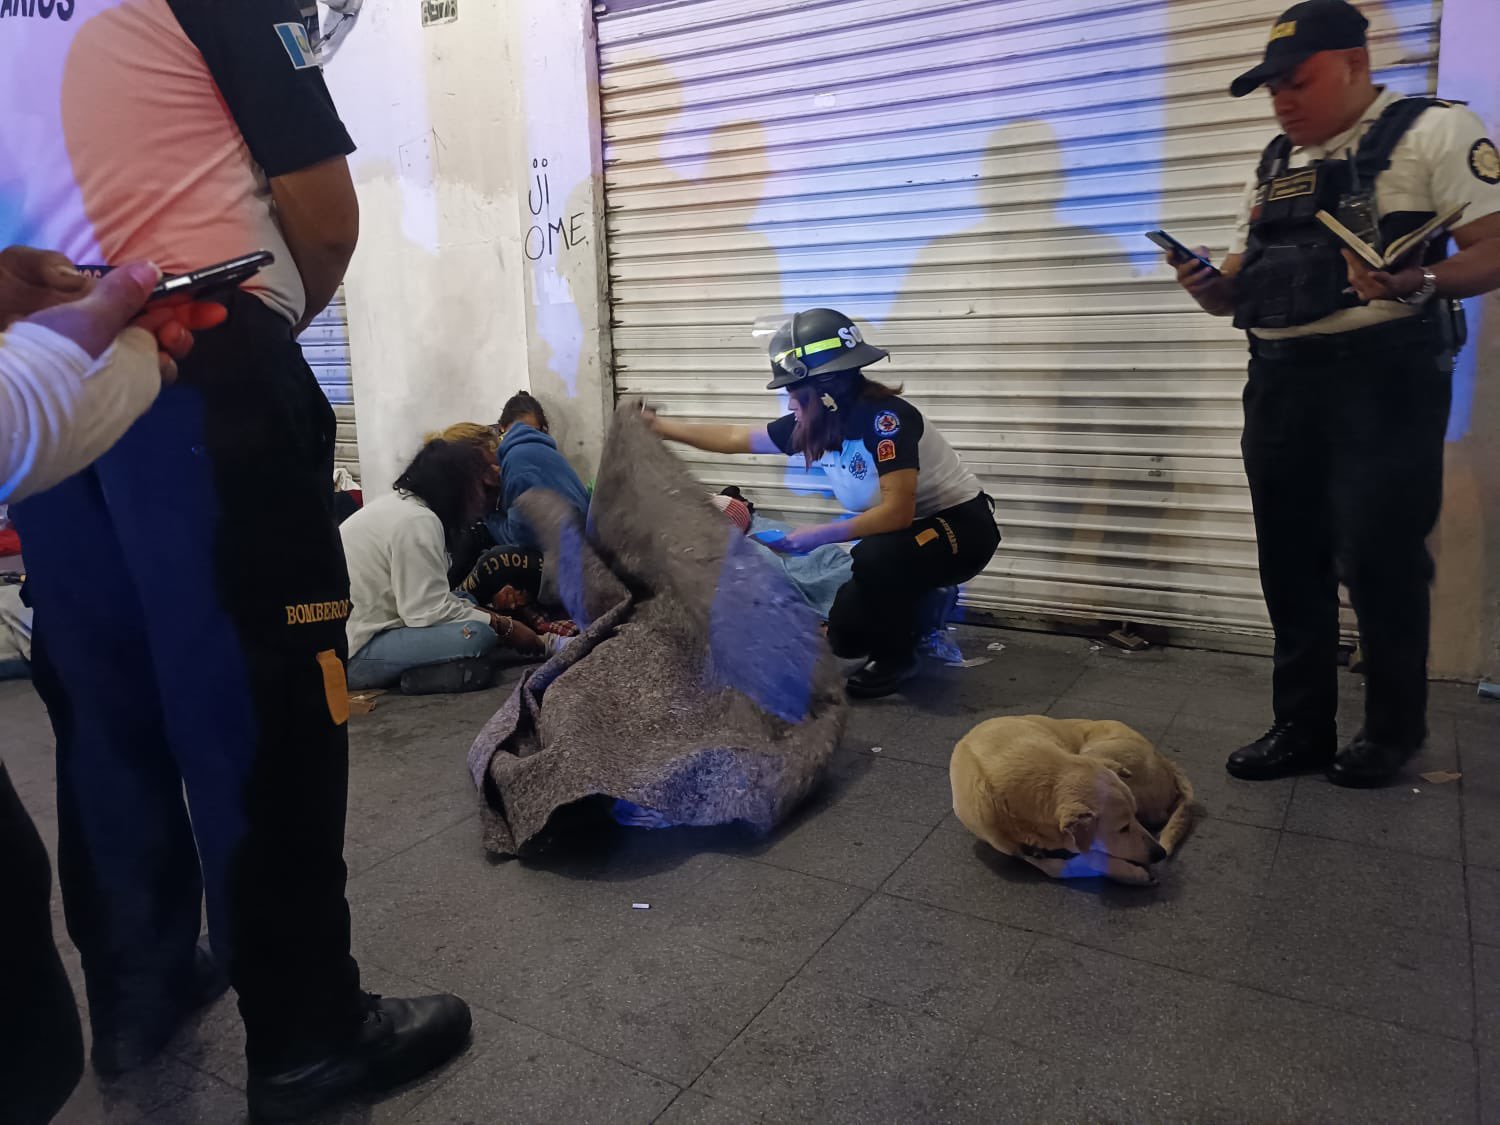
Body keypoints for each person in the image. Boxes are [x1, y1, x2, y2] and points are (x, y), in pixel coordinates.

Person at [2, 4, 471, 1120]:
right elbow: (323, 214)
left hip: (41, 377)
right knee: (262, 702)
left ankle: (139, 994)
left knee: (103, 705)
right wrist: (269, 328)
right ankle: (310, 1032)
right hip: (196, 346)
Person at [1170, 0, 1500, 787]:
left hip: (1383, 376)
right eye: (1271, 85)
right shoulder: (1278, 157)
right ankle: (1301, 726)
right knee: (1290, 560)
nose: (1281, 98)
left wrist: (1419, 277)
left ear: (1356, 63)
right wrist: (1209, 287)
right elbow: (1243, 285)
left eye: (1296, 79)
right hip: (1279, 382)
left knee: (1381, 560)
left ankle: (1391, 731)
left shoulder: (1437, 129)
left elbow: (1493, 248)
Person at [0, 248, 223, 1125]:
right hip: (144, 404)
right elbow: (320, 235)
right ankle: (303, 1024)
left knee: (98, 729)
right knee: (225, 710)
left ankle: (139, 993)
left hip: (61, 428)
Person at [646, 307, 1001, 698]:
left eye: (794, 393)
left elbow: (898, 513)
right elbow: (733, 438)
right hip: (909, 537)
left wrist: (816, 536)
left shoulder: (887, 421)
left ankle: (898, 659)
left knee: (876, 557)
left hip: (961, 530)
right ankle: (923, 602)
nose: (789, 403)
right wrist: (660, 428)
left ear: (828, 389)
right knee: (846, 637)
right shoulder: (816, 424)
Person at [342, 439, 556, 694]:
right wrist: (504, 626)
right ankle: (418, 677)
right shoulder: (417, 521)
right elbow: (425, 612)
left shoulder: (401, 506)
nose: (479, 500)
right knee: (478, 634)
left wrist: (489, 615)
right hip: (356, 654)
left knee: (464, 599)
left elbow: (428, 601)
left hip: (365, 630)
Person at [488, 390, 592, 551]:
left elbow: (520, 536)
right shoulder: (553, 456)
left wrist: (489, 519)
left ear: (501, 429)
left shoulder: (517, 460)